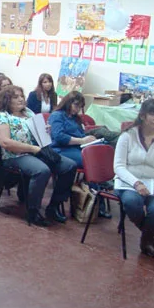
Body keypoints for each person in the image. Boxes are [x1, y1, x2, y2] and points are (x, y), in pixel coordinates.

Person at [0, 85, 76, 226]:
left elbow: (39, 135)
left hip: (37, 151)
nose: (20, 99)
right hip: (14, 155)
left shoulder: (29, 113)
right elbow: (5, 142)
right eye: (15, 97)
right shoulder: (2, 116)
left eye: (21, 96)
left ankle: (53, 206)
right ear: (7, 100)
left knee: (69, 166)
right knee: (42, 170)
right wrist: (32, 148)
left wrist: (46, 131)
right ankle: (33, 211)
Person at [114, 99, 154, 260]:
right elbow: (119, 166)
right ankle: (151, 238)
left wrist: (151, 185)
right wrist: (136, 183)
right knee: (131, 202)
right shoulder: (127, 136)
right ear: (142, 116)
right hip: (128, 182)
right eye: (152, 114)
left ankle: (146, 241)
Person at [49, 91, 111, 219]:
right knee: (91, 164)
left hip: (77, 148)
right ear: (68, 103)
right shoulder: (57, 116)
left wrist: (89, 139)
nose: (77, 109)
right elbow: (59, 137)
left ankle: (97, 199)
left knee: (100, 156)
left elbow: (80, 134)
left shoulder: (75, 118)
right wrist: (82, 141)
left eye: (80, 106)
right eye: (76, 105)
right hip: (60, 149)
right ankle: (98, 199)